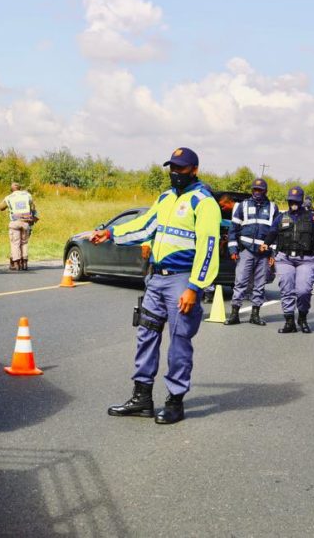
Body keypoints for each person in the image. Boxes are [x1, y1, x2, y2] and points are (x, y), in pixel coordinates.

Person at [92, 147, 220, 425]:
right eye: (172, 168)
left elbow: (208, 248)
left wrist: (195, 287)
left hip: (181, 280)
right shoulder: (165, 197)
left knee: (179, 342)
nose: (175, 173)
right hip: (156, 279)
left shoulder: (203, 202)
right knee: (146, 335)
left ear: (194, 170)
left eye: (181, 168)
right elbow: (145, 226)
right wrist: (111, 233)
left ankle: (175, 402)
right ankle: (142, 398)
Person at [263, 186, 314, 333]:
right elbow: (272, 232)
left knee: (304, 290)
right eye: (291, 201)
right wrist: (266, 243)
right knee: (287, 289)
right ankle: (289, 321)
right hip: (285, 258)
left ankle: (302, 317)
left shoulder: (311, 217)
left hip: (306, 258)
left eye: (296, 201)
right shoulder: (281, 217)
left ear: (301, 201)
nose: (293, 203)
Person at [224, 178, 278, 326]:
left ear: (265, 191)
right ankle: (234, 315)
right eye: (255, 189)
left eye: (260, 190)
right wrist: (233, 249)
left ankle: (255, 315)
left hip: (264, 253)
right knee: (240, 282)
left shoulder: (273, 207)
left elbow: (276, 233)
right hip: (246, 250)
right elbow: (233, 229)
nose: (257, 192)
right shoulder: (243, 205)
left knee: (259, 285)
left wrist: (273, 253)